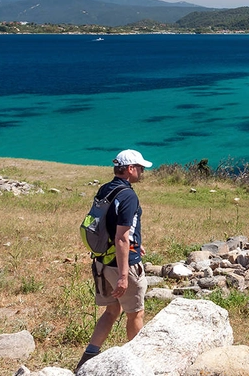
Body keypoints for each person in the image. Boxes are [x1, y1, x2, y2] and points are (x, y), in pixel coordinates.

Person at [77, 149, 152, 370]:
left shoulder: (106, 189)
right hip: (121, 266)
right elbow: (121, 236)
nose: (142, 171)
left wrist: (136, 242)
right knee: (135, 313)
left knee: (111, 311)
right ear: (130, 169)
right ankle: (136, 363)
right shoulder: (128, 195)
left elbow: (108, 223)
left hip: (101, 261)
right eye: (140, 168)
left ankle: (88, 357)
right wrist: (122, 276)